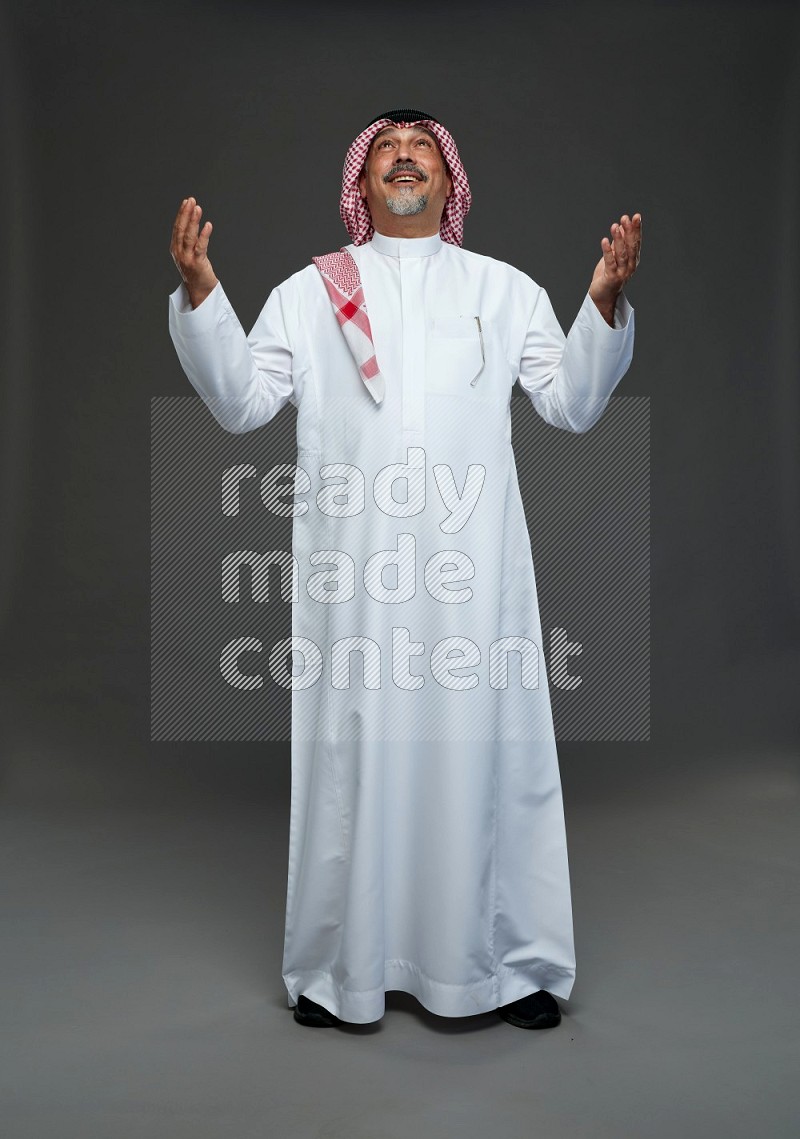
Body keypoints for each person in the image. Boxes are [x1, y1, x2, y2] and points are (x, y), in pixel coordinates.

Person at [167, 108, 642, 1031]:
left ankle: (510, 967)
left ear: (450, 179)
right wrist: (201, 295)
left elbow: (573, 403)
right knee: (356, 758)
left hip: (475, 579)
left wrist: (604, 306)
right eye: (387, 148)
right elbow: (242, 401)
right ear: (363, 180)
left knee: (490, 754)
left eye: (421, 147)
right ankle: (342, 968)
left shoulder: (501, 291)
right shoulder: (314, 292)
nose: (405, 158)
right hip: (358, 585)